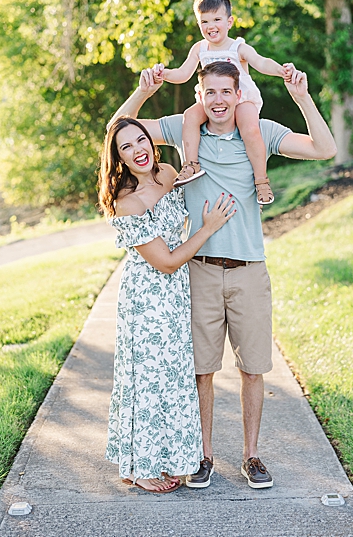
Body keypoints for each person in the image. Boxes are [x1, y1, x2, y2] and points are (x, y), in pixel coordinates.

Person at [111, 60, 336, 489]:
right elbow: (120, 131)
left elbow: (324, 149)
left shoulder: (261, 133)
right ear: (200, 96)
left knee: (253, 369)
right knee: (201, 371)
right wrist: (142, 91)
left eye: (225, 92)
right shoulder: (182, 132)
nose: (217, 100)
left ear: (239, 95)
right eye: (208, 92)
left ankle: (251, 456)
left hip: (250, 270)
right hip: (198, 272)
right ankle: (202, 455)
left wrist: (302, 97)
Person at [99, 116, 236, 493]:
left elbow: (194, 119)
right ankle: (139, 467)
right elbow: (167, 260)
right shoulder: (127, 202)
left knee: (170, 378)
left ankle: (159, 458)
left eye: (140, 140)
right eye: (125, 147)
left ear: (151, 142)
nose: (137, 150)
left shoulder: (169, 173)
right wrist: (208, 228)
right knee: (145, 378)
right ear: (119, 159)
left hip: (175, 296)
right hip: (147, 299)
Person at [154, 0, 294, 206]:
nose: (211, 27)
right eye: (204, 22)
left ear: (229, 22)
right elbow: (182, 73)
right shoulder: (200, 49)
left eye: (216, 20)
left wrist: (280, 70)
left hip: (241, 99)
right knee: (190, 116)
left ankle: (261, 179)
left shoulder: (238, 47)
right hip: (210, 101)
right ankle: (191, 164)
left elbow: (261, 62)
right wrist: (164, 74)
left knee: (249, 127)